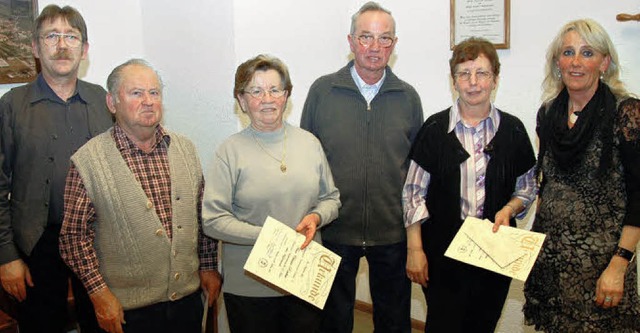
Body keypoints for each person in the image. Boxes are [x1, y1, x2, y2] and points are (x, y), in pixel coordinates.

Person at [59, 59, 221, 333]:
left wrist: (206, 267)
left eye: (154, 93)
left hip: (186, 303)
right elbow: (73, 239)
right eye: (136, 93)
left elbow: (200, 215)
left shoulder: (185, 149)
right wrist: (99, 294)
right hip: (126, 313)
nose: (148, 101)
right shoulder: (89, 161)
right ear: (112, 103)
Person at [300, 2, 423, 332]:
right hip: (334, 229)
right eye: (366, 37)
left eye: (384, 39)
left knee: (394, 323)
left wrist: (414, 238)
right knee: (333, 323)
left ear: (394, 45)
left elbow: (416, 172)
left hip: (391, 233)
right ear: (351, 41)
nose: (374, 47)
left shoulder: (408, 97)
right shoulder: (322, 92)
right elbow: (306, 162)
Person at [403, 37, 536, 333]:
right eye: (464, 73)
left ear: (495, 79)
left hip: (494, 256)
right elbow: (413, 193)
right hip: (441, 256)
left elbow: (527, 187)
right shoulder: (435, 130)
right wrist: (415, 249)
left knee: (483, 325)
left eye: (482, 73)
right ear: (454, 81)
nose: (473, 82)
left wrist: (509, 208)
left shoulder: (513, 130)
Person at [202, 54, 340, 333]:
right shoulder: (230, 151)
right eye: (256, 91)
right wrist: (271, 237)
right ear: (241, 100)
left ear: (286, 95)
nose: (267, 98)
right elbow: (213, 220)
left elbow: (332, 199)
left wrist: (315, 217)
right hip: (250, 283)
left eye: (275, 89)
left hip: (305, 278)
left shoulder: (309, 143)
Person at [0, 5, 113, 332]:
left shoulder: (103, 101)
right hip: (35, 243)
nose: (62, 45)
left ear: (85, 49)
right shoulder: (11, 106)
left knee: (101, 323)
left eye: (71, 37)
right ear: (35, 48)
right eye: (51, 36)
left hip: (96, 242)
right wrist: (6, 256)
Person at [523, 18, 640, 332]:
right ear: (557, 62)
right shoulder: (548, 113)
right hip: (551, 263)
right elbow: (545, 183)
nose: (576, 62)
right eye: (568, 52)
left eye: (588, 53)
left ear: (605, 62)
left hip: (603, 269)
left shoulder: (627, 113)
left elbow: (639, 196)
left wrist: (620, 263)